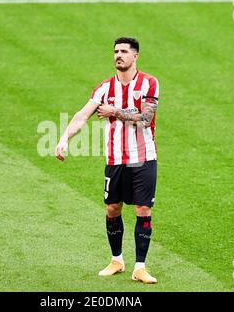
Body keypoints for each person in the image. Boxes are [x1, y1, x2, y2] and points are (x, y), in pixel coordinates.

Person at [55, 37, 160, 284]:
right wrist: (64, 137)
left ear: (136, 56)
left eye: (124, 51)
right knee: (113, 209)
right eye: (115, 51)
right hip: (115, 160)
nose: (118, 55)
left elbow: (146, 118)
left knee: (143, 209)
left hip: (144, 158)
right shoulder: (104, 88)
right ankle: (116, 260)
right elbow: (82, 115)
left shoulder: (149, 83)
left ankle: (140, 267)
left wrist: (114, 112)